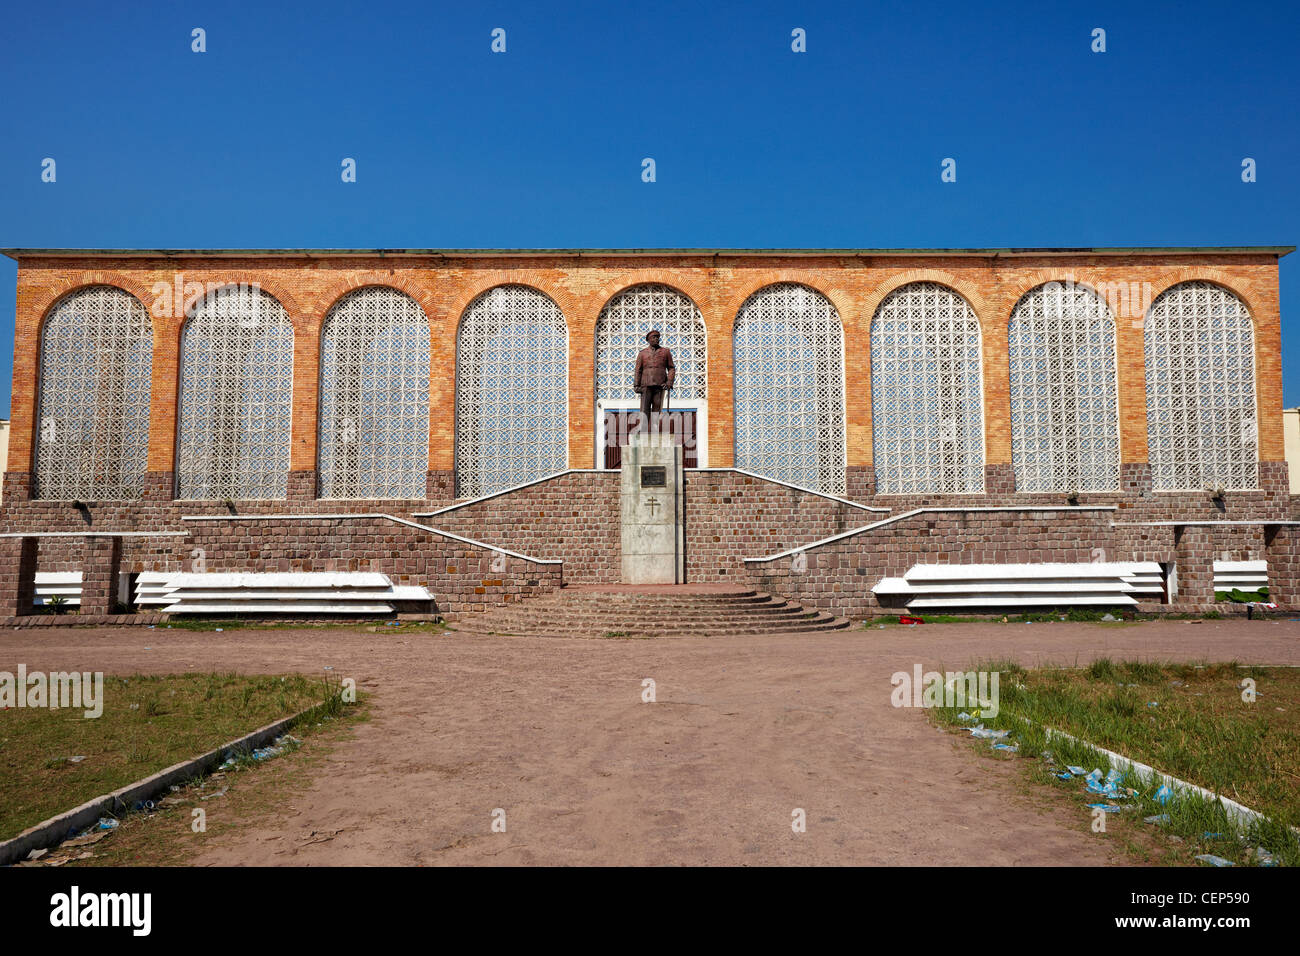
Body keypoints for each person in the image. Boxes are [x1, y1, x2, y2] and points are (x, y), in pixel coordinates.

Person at [633, 329, 675, 419]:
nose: (657, 339)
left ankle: (654, 430)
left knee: (656, 411)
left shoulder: (665, 352)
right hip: (646, 385)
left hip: (660, 385)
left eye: (658, 337)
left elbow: (671, 368)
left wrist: (669, 383)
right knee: (644, 411)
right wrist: (636, 385)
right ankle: (643, 431)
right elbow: (638, 370)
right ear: (649, 340)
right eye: (654, 337)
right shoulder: (642, 353)